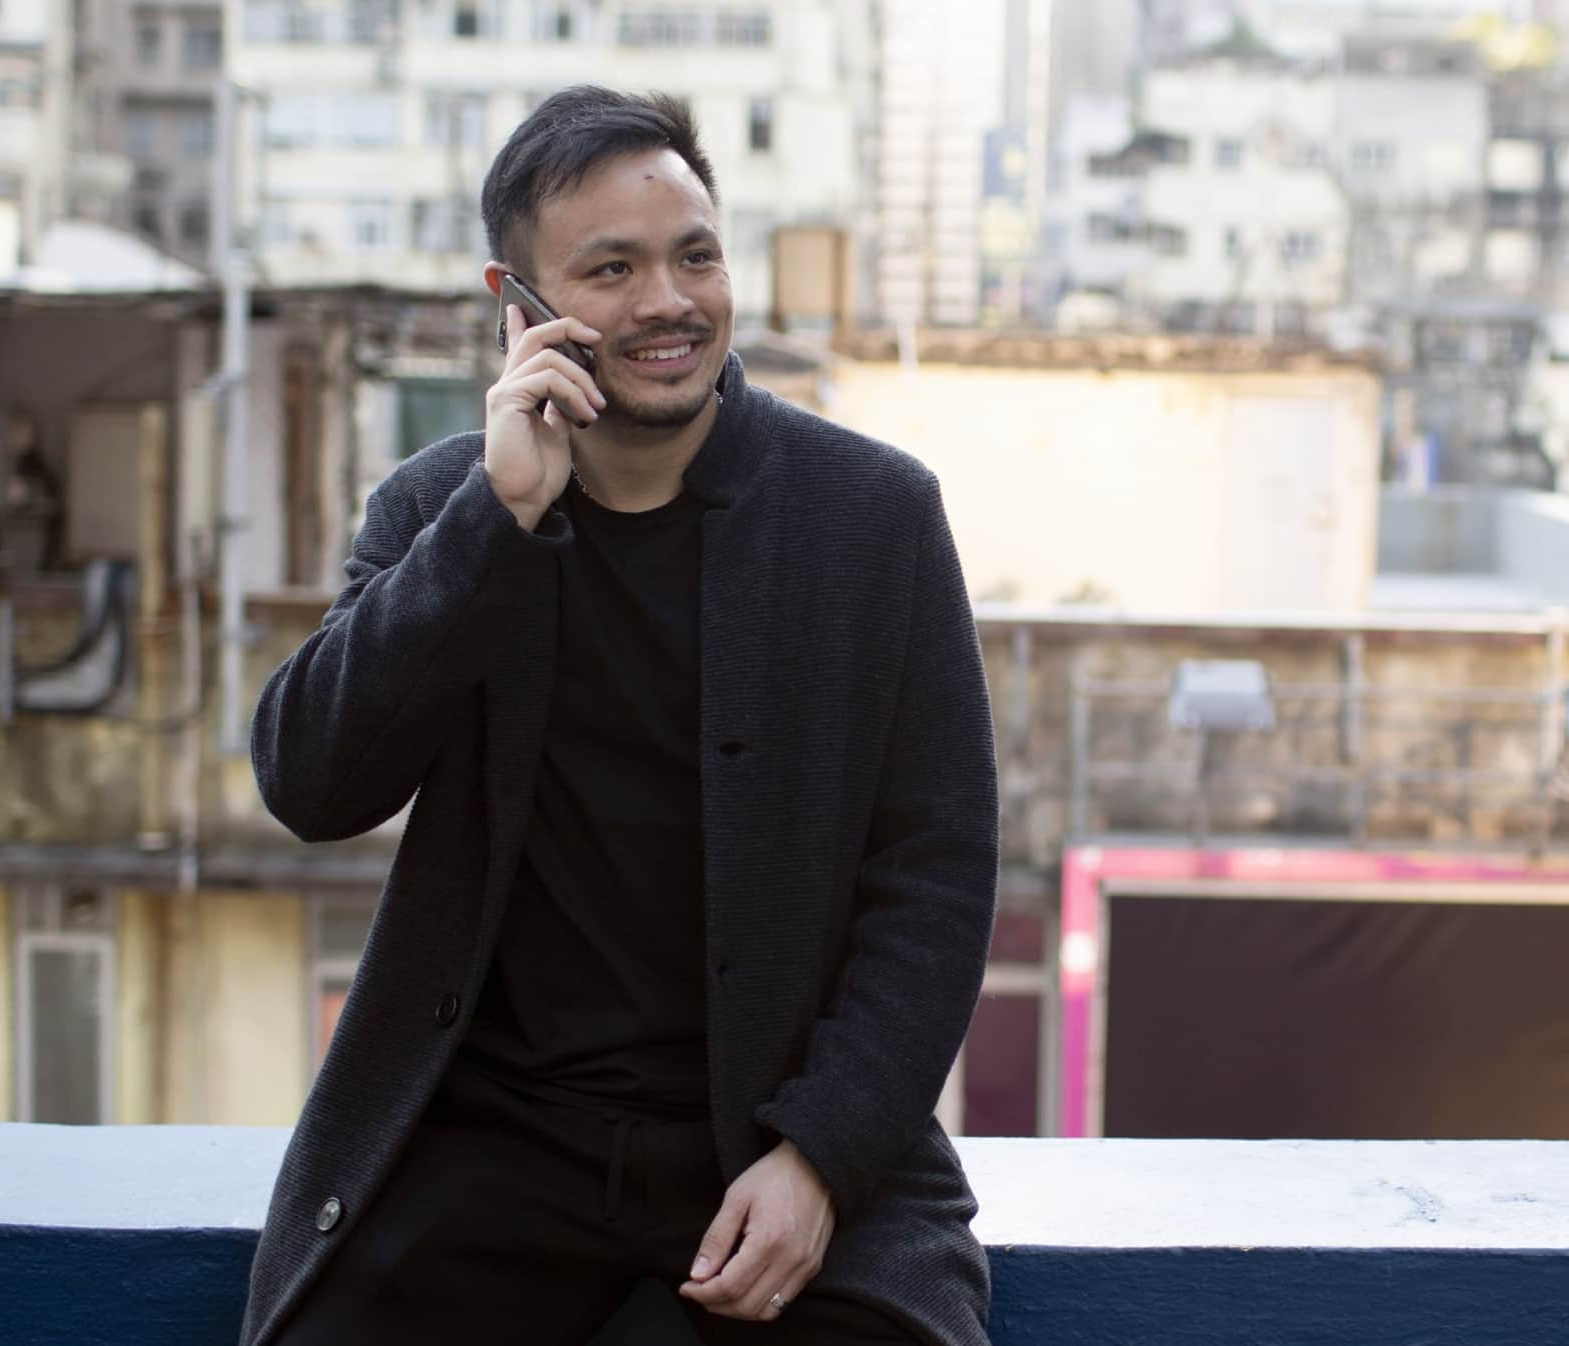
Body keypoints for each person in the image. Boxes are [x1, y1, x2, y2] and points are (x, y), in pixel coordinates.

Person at [238, 86, 999, 1346]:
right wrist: (494, 520)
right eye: (612, 268)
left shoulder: (874, 516)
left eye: (694, 254)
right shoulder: (443, 507)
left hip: (784, 1132)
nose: (668, 301)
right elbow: (311, 782)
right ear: (518, 306)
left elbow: (938, 870)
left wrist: (821, 1154)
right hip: (494, 1143)